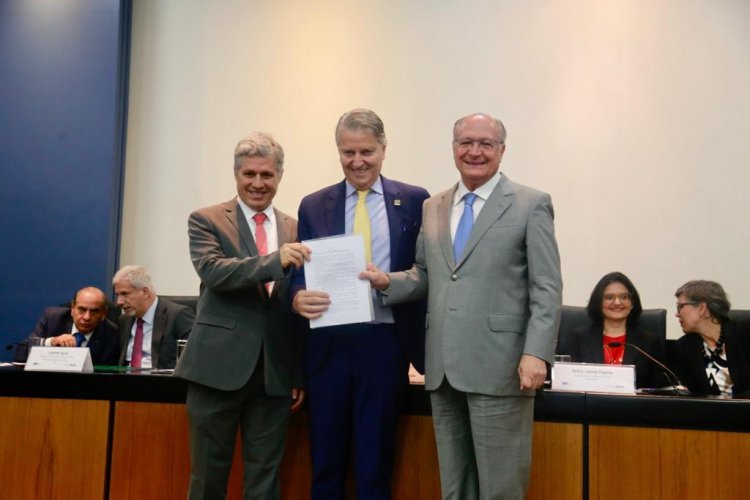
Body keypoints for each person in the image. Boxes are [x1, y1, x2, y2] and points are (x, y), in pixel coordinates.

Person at [361, 112, 562, 499]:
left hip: (501, 367)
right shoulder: (434, 206)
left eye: (485, 143)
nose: (475, 151)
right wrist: (388, 282)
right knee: (455, 487)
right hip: (442, 369)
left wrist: (536, 354)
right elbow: (425, 273)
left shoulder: (530, 204)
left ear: (502, 150)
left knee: (500, 488)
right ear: (453, 149)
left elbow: (547, 287)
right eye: (466, 143)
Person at [292, 108, 429, 500]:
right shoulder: (314, 204)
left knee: (375, 463)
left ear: (384, 149)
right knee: (326, 462)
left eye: (366, 151)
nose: (357, 162)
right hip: (328, 345)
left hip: (385, 344)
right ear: (338, 152)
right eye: (347, 152)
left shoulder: (415, 200)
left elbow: (424, 271)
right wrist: (296, 295)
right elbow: (297, 272)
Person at [174, 132, 309, 499]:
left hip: (274, 376)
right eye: (249, 174)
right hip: (216, 370)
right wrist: (275, 260)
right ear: (236, 175)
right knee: (207, 480)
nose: (258, 183)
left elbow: (297, 305)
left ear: (280, 176)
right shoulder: (206, 219)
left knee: (265, 482)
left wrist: (296, 373)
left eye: (267, 175)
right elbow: (215, 272)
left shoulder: (297, 228)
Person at [562, 272, 664, 388]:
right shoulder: (579, 338)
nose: (617, 302)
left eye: (624, 297)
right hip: (590, 404)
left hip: (635, 405)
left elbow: (658, 389)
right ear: (599, 303)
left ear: (632, 303)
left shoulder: (649, 342)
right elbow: (568, 383)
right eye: (609, 297)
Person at [673, 280, 750, 397]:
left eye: (680, 307)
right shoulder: (685, 346)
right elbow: (693, 396)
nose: (677, 314)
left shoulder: (744, 333)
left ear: (702, 308)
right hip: (710, 414)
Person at [112, 265, 195, 370]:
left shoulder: (178, 315)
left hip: (161, 382)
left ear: (145, 292)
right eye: (117, 295)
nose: (119, 302)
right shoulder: (124, 320)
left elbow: (194, 358)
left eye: (125, 294)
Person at [16, 286, 119, 365]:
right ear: (72, 309)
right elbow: (21, 353)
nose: (87, 317)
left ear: (103, 314)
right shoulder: (53, 319)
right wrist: (51, 342)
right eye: (81, 310)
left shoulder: (111, 334)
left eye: (94, 311)